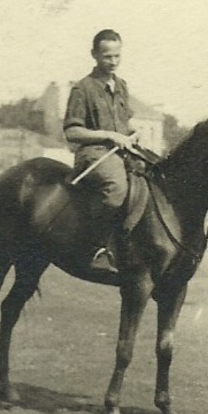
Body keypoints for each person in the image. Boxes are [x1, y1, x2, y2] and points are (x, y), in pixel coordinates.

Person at [63, 29, 140, 273]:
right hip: (93, 154)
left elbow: (124, 122)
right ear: (94, 55)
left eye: (117, 56)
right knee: (117, 187)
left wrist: (132, 131)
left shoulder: (122, 86)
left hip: (121, 151)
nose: (114, 62)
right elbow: (72, 132)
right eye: (107, 56)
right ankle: (95, 247)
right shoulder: (83, 89)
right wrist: (110, 135)